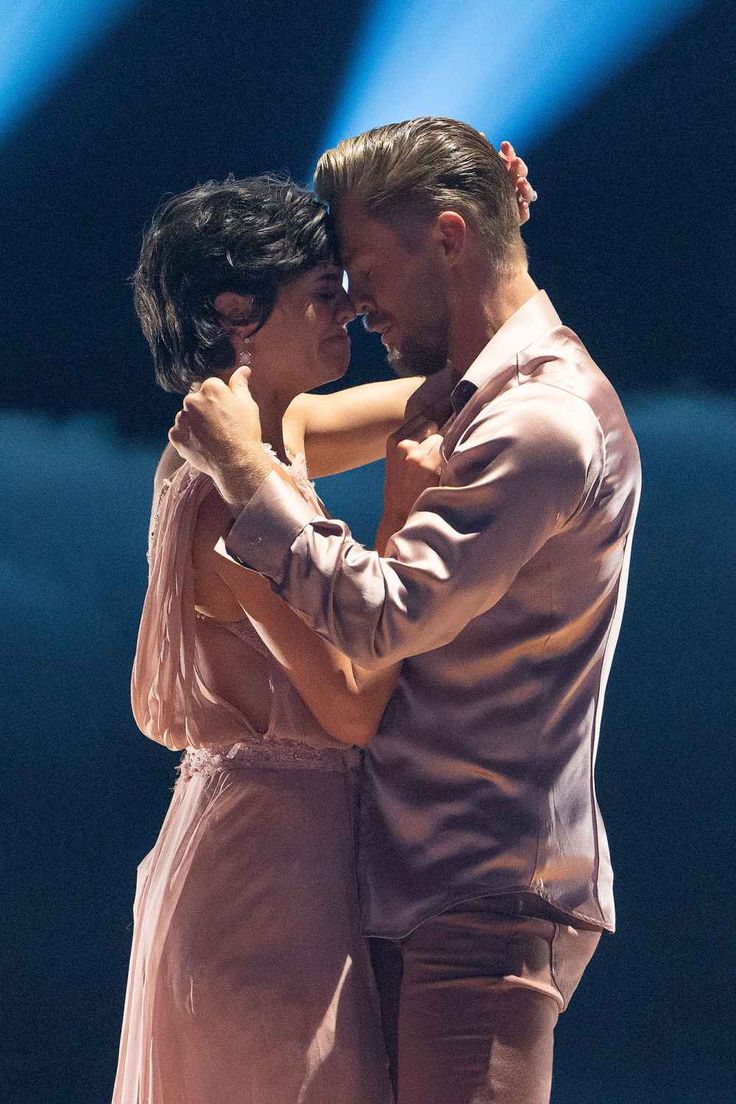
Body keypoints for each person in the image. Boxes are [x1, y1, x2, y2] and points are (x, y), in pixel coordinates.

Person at [169, 117, 642, 1104]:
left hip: (486, 894)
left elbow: (383, 621)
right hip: (413, 889)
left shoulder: (534, 423)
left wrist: (258, 476)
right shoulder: (477, 394)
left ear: (448, 236)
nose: (355, 299)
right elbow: (286, 421)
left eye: (363, 267)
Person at [113, 157, 541, 1104]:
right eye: (321, 295)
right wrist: (398, 515)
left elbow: (464, 380)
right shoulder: (223, 496)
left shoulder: (279, 432)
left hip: (285, 859)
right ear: (237, 314)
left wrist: (488, 232)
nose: (348, 310)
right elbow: (351, 705)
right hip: (264, 886)